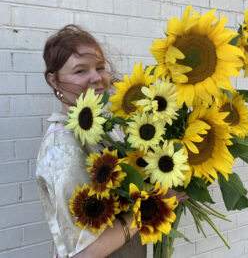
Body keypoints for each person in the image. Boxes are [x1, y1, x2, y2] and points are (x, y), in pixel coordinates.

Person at [36, 24, 188, 258]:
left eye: (100, 67)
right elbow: (84, 253)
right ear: (53, 81)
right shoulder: (63, 146)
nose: (96, 78)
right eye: (80, 71)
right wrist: (151, 208)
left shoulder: (104, 131)